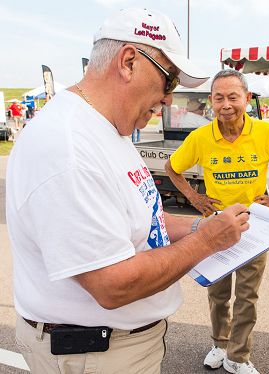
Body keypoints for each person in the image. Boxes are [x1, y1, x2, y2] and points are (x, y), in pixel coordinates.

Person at [6, 8, 251, 373]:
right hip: (96, 354)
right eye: (168, 80)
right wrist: (207, 242)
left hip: (111, 347)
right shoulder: (69, 146)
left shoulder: (106, 129)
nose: (169, 98)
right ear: (129, 62)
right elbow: (112, 284)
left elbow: (145, 217)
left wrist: (203, 227)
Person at [165, 69, 269, 374]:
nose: (226, 104)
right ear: (211, 102)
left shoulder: (266, 133)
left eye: (233, 96)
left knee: (247, 295)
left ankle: (239, 357)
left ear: (247, 98)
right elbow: (172, 167)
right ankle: (220, 344)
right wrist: (194, 197)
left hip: (254, 226)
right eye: (219, 98)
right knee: (218, 292)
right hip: (214, 226)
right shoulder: (201, 137)